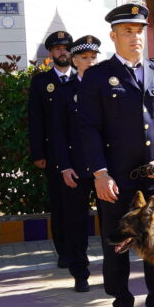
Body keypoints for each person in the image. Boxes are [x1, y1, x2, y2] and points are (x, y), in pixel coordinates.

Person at [78, 3, 154, 307]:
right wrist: (100, 173)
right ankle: (122, 303)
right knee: (117, 244)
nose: (135, 37)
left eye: (139, 31)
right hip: (117, 180)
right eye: (127, 31)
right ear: (114, 36)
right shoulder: (97, 77)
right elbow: (88, 129)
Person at [48, 35, 101, 292]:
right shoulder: (65, 93)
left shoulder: (109, 87)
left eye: (93, 57)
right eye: (84, 58)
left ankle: (114, 274)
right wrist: (64, 167)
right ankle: (80, 272)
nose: (89, 62)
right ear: (74, 60)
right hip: (76, 168)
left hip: (104, 168)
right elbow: (57, 133)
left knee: (112, 223)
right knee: (76, 222)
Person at [27, 30, 75, 268]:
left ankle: (80, 250)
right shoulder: (41, 82)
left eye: (66, 48)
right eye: (57, 49)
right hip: (54, 154)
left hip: (81, 155)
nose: (62, 52)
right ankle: (64, 253)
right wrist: (38, 153)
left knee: (79, 206)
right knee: (59, 206)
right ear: (51, 53)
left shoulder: (83, 78)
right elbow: (35, 120)